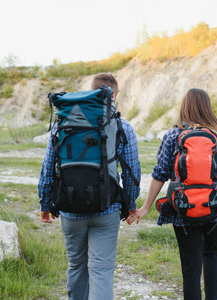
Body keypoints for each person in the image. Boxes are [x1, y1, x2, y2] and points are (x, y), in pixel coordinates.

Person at [129, 88, 217, 300]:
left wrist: (146, 207)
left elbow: (160, 173)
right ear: (208, 107)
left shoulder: (173, 134)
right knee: (211, 254)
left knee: (190, 266)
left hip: (184, 208)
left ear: (184, 106)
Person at [38, 73, 140, 300]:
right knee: (101, 270)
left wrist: (45, 203)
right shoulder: (121, 125)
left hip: (70, 208)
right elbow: (132, 171)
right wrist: (131, 205)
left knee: (76, 265)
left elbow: (48, 167)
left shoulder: (63, 123)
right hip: (108, 208)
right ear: (113, 95)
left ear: (93, 92)